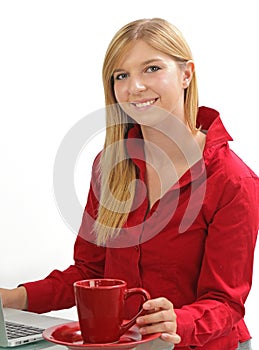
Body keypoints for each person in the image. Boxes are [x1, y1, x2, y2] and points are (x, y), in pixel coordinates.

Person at [0, 18, 258, 350]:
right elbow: (89, 272)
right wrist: (13, 297)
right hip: (128, 344)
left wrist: (178, 319)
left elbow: (225, 303)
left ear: (186, 74)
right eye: (121, 75)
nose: (134, 87)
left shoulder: (234, 181)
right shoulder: (110, 167)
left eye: (151, 68)